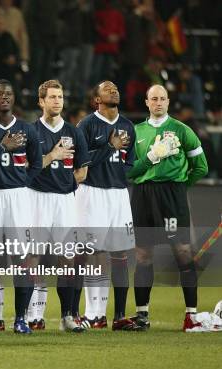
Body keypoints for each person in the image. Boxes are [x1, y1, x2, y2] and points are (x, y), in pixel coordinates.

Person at [127, 84, 209, 332]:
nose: (159, 102)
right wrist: (151, 157)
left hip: (172, 195)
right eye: (154, 98)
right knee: (142, 255)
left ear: (168, 101)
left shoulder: (182, 131)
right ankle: (142, 315)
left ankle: (191, 315)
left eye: (163, 98)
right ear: (146, 102)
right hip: (143, 195)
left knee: (183, 252)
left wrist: (180, 187)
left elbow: (201, 167)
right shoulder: (136, 132)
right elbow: (129, 172)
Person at [0, 79, 42, 333]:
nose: (4, 97)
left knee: (22, 259)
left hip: (18, 198)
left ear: (14, 99)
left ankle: (21, 318)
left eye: (9, 94)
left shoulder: (28, 130)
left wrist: (23, 181)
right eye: (0, 94)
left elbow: (36, 164)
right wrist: (2, 146)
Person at [74, 80, 143, 331]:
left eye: (116, 88)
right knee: (91, 252)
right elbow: (80, 161)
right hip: (92, 193)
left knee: (120, 253)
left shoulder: (127, 126)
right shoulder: (87, 125)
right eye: (107, 89)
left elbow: (130, 161)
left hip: (118, 195)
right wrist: (108, 147)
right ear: (97, 100)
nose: (114, 90)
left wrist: (118, 174)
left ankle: (120, 316)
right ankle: (92, 313)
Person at [26, 79, 90, 333]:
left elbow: (82, 171)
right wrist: (52, 156)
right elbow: (26, 171)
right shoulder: (31, 132)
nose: (57, 101)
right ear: (41, 101)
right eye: (51, 97)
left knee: (68, 258)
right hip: (36, 198)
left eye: (60, 97)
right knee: (31, 256)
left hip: (65, 200)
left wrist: (62, 184)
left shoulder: (74, 133)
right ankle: (28, 315)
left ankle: (67, 316)